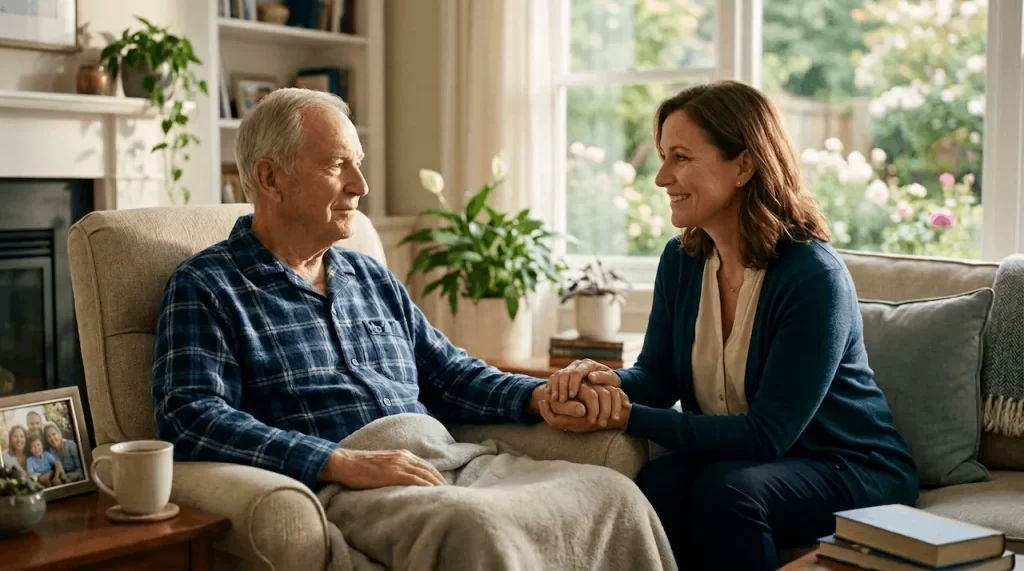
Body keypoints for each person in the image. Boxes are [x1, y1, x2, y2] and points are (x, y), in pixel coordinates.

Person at [151, 88, 664, 568]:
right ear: (270, 178)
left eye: (357, 164)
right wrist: (341, 462)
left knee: (613, 494)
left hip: (448, 460)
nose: (360, 185)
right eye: (337, 165)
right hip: (350, 484)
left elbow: (449, 374)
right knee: (477, 527)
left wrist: (540, 396)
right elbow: (190, 416)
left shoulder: (368, 276)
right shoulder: (208, 285)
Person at [543, 80, 919, 570]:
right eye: (663, 157)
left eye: (681, 157)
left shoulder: (812, 277)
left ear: (744, 165)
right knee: (658, 482)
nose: (661, 178)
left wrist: (626, 416)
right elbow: (657, 378)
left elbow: (767, 436)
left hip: (851, 466)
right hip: (755, 465)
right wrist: (601, 382)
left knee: (728, 492)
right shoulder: (681, 261)